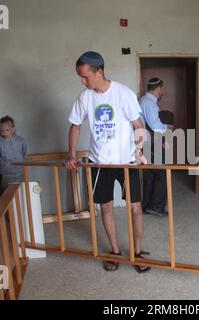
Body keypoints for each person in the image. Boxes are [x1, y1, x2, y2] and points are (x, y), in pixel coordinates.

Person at [65, 51, 150, 273]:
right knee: (105, 207)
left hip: (126, 162)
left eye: (86, 77)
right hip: (99, 162)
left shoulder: (123, 94)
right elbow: (75, 125)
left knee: (135, 208)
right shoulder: (85, 97)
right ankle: (114, 251)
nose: (83, 82)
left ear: (99, 71)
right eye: (80, 78)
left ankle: (138, 252)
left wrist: (139, 150)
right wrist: (72, 154)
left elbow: (138, 125)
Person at [139, 78, 173, 217]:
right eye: (161, 89)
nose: (162, 92)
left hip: (147, 141)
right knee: (161, 174)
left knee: (150, 174)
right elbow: (155, 126)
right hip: (152, 142)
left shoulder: (144, 101)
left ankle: (147, 205)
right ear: (158, 88)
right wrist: (167, 129)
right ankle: (156, 206)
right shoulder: (148, 103)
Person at [0, 115, 27, 192]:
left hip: (20, 174)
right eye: (2, 130)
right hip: (6, 175)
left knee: (21, 194)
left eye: (7, 130)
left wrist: (24, 163)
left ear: (13, 129)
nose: (5, 133)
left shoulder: (21, 141)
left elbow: (25, 153)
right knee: (7, 196)